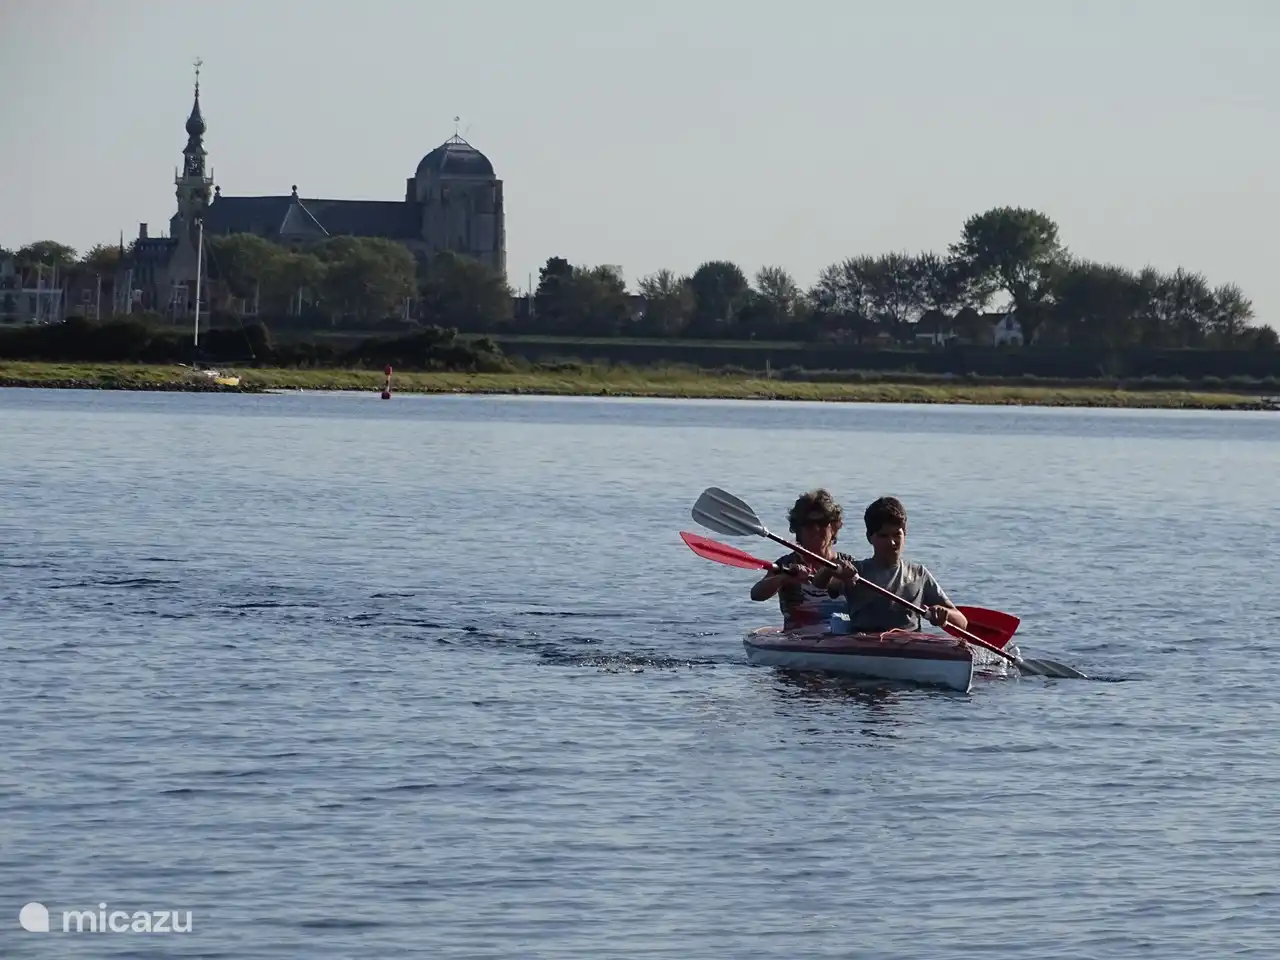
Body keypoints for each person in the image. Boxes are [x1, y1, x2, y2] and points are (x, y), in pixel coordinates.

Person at [822, 496, 968, 634]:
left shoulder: (919, 574)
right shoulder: (855, 572)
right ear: (869, 538)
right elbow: (822, 584)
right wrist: (831, 568)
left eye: (896, 535)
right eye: (883, 536)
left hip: (908, 646)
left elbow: (962, 622)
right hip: (863, 644)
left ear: (905, 533)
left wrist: (944, 615)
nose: (891, 542)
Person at [750, 489, 855, 630]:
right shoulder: (787, 564)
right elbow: (756, 594)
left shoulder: (849, 564)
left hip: (840, 641)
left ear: (834, 527)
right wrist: (783, 578)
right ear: (798, 529)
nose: (816, 529)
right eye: (809, 524)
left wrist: (850, 580)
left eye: (823, 523)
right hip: (798, 640)